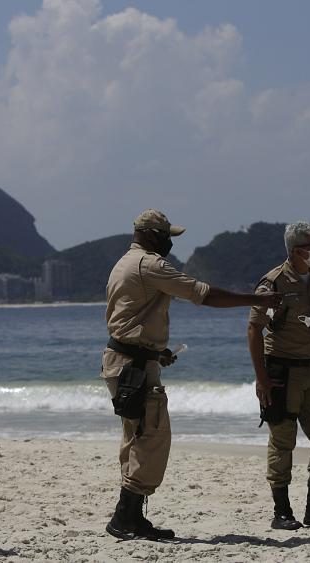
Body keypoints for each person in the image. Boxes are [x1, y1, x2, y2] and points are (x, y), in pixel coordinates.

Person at [102, 209, 282, 541]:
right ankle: (125, 517)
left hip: (126, 361)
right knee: (152, 438)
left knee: (137, 437)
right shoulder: (150, 264)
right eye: (168, 235)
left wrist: (157, 352)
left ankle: (129, 517)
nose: (171, 242)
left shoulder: (123, 262)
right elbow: (205, 295)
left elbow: (130, 318)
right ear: (154, 235)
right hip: (134, 366)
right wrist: (257, 299)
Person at [247, 221, 310, 530]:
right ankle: (282, 511)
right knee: (282, 441)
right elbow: (254, 329)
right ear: (297, 250)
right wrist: (262, 379)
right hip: (282, 371)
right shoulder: (273, 282)